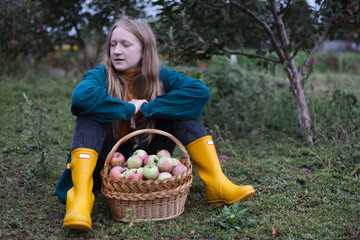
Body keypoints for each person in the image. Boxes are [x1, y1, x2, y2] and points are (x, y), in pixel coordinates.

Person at [56, 16, 255, 231]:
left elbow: (199, 92)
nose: (116, 51)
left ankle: (217, 184)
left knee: (183, 110)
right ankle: (81, 198)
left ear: (145, 49)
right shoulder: (101, 74)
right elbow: (81, 97)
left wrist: (149, 107)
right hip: (109, 161)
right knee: (89, 114)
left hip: (152, 158)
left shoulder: (161, 76)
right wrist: (129, 108)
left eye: (125, 44)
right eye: (113, 44)